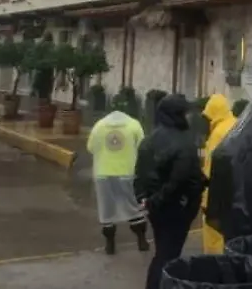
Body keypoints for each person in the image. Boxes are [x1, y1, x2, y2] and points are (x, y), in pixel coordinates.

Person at [134, 94, 206, 289]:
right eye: (186, 112)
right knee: (167, 255)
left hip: (157, 210)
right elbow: (181, 180)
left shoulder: (148, 140)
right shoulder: (184, 143)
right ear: (177, 115)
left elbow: (139, 175)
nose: (190, 117)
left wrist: (144, 200)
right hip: (176, 209)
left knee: (163, 250)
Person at [87, 104, 149, 254]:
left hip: (103, 175)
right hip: (127, 173)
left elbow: (90, 147)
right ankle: (142, 241)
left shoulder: (99, 126)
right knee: (133, 208)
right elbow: (143, 148)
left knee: (107, 211)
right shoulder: (134, 125)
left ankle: (110, 245)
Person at [200, 94, 236, 254]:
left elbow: (210, 167)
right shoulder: (237, 125)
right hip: (234, 191)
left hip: (216, 195)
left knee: (213, 235)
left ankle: (215, 265)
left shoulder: (218, 133)